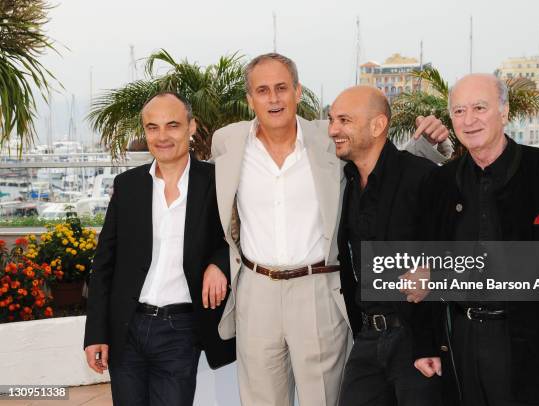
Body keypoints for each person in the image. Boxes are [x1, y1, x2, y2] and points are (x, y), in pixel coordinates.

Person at [211, 52, 450, 406]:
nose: (273, 99)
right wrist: (215, 261)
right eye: (262, 90)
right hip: (255, 291)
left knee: (324, 399)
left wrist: (434, 144)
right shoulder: (227, 143)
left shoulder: (330, 137)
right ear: (250, 99)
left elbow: (384, 161)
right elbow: (209, 207)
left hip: (318, 290)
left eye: (281, 88)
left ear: (297, 91)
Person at [414, 74, 539, 406]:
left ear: (505, 111)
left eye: (479, 108)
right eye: (458, 111)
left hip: (531, 340)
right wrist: (426, 344)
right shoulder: (439, 185)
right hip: (462, 340)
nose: (468, 120)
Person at [84, 92, 235, 406]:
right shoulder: (127, 185)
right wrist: (96, 333)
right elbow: (104, 264)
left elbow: (240, 234)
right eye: (152, 128)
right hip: (126, 328)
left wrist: (220, 263)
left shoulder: (216, 181)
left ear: (191, 127)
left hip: (180, 330)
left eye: (173, 125)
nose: (162, 136)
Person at [330, 85, 447, 406]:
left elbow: (458, 248)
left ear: (378, 126)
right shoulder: (351, 183)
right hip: (368, 336)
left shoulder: (422, 177)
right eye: (331, 120)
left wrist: (430, 342)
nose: (332, 130)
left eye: (343, 120)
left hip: (416, 340)